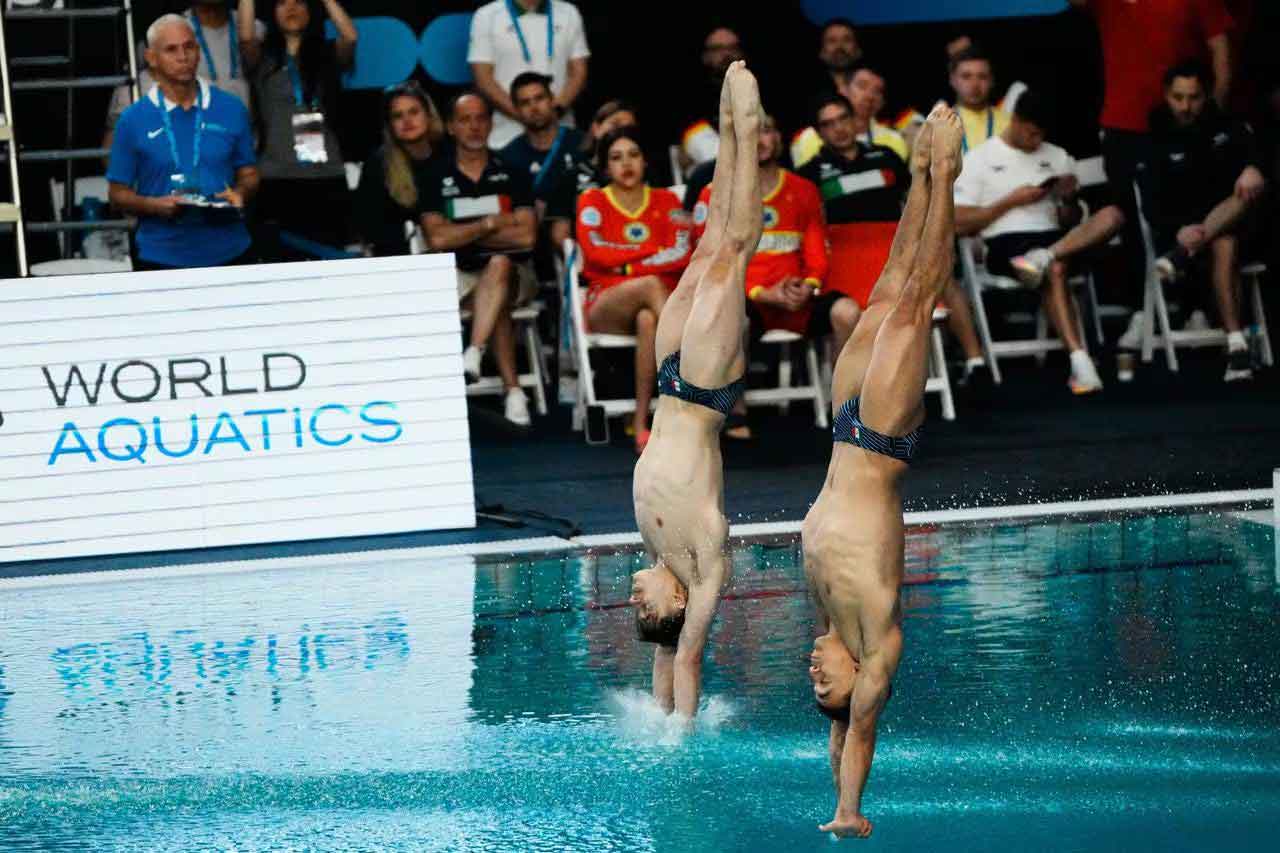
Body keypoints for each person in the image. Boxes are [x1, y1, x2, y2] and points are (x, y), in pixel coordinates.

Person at [802, 105, 963, 840]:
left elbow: (835, 734)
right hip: (884, 444)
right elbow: (858, 731)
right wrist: (847, 808)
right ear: (857, 681)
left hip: (843, 430)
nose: (812, 671)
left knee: (882, 290)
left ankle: (919, 178)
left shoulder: (828, 610)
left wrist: (829, 749)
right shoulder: (877, 638)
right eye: (823, 683)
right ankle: (947, 175)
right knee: (915, 304)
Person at [629, 60, 762, 721]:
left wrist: (653, 719)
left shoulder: (656, 552)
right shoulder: (703, 568)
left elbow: (660, 654)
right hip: (706, 389)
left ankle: (727, 131)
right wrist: (679, 735)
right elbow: (683, 656)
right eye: (645, 606)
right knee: (734, 248)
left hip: (671, 378)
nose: (633, 595)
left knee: (710, 240)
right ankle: (748, 133)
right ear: (677, 603)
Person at [1068, 0, 1234, 351]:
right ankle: (1139, 312)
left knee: (1194, 212)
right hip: (1124, 126)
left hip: (1183, 121)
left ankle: (1196, 306)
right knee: (1129, 221)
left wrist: (1213, 111)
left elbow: (1219, 47)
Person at [692, 113, 859, 439]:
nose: (758, 139)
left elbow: (816, 251)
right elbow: (709, 264)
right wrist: (757, 292)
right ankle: (736, 412)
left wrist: (808, 286)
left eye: (765, 130)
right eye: (749, 132)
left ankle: (844, 409)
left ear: (778, 138)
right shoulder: (715, 194)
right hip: (747, 300)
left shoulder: (804, 189)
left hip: (796, 297)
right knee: (732, 318)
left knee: (848, 312)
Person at [954, 90, 1117, 395]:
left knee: (1112, 215)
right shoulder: (979, 158)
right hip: (1006, 243)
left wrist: (1068, 198)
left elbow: (1071, 220)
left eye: (1042, 133)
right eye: (1031, 132)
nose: (1036, 139)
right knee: (1055, 269)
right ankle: (1080, 362)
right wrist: (1010, 201)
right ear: (1015, 121)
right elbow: (958, 222)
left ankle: (1046, 256)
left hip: (1058, 238)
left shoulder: (1056, 155)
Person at [420, 92, 539, 428]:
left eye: (480, 119)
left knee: (499, 266)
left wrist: (463, 232)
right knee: (494, 293)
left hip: (517, 273)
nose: (474, 126)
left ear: (490, 124)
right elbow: (437, 238)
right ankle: (513, 390)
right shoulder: (434, 174)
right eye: (464, 120)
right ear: (450, 127)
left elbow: (527, 237)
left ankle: (474, 351)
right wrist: (489, 223)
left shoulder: (513, 171)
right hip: (458, 277)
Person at [107, 14, 258, 270]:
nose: (183, 56)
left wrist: (241, 193)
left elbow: (250, 173)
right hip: (160, 255)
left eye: (189, 47)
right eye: (171, 49)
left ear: (198, 52)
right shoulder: (132, 119)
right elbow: (116, 194)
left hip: (229, 250)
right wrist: (152, 206)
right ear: (151, 58)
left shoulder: (231, 107)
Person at [1147, 60, 1266, 382]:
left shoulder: (1227, 124)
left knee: (1244, 197)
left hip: (1238, 223)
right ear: (1165, 95)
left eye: (1194, 97)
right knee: (1223, 243)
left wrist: (1254, 166)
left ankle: (1181, 258)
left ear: (1208, 95)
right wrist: (1176, 230)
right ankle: (1236, 345)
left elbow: (1261, 154)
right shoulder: (1157, 132)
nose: (1186, 106)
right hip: (1184, 231)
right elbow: (1151, 202)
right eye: (1178, 97)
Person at [576, 127, 692, 451]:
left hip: (652, 305)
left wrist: (624, 264)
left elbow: (682, 251)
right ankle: (691, 382)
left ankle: (642, 423)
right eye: (616, 157)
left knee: (647, 319)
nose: (626, 164)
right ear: (605, 167)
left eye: (633, 155)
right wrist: (648, 256)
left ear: (645, 160)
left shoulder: (667, 200)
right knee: (652, 284)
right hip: (606, 304)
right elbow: (595, 252)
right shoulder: (593, 200)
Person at [238, 0, 357, 256]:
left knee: (331, 265)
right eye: (282, 2)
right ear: (272, 13)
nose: (291, 7)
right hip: (277, 178)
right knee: (282, 268)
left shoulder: (327, 55)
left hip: (326, 176)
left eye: (299, 1)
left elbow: (350, 35)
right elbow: (246, 36)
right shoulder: (263, 59)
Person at [798, 93, 909, 313]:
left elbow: (913, 202)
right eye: (828, 124)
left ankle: (973, 349)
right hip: (843, 259)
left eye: (843, 119)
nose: (839, 128)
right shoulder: (809, 174)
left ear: (854, 120)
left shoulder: (887, 156)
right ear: (818, 132)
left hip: (895, 254)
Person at [468, 0, 591, 149]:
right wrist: (525, 115)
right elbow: (483, 78)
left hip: (561, 134)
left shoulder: (569, 12)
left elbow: (579, 72)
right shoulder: (486, 16)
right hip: (506, 137)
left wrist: (555, 112)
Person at [352, 81, 445, 257]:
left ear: (429, 115)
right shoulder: (378, 165)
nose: (407, 121)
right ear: (390, 125)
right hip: (400, 260)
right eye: (398, 116)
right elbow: (369, 228)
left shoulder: (450, 153)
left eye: (413, 112)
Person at [501, 71, 588, 248]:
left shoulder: (583, 144)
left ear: (552, 100)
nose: (534, 107)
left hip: (581, 240)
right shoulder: (507, 157)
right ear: (516, 109)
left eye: (539, 98)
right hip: (532, 250)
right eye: (525, 103)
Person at [792, 68, 909, 169]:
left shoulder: (894, 140)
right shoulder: (806, 139)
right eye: (862, 86)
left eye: (878, 91)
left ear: (883, 102)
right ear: (843, 89)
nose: (869, 96)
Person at [678, 27, 745, 171]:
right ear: (705, 56)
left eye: (732, 48)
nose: (727, 54)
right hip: (709, 166)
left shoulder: (755, 86)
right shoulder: (690, 93)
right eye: (718, 49)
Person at [948, 46, 1010, 155]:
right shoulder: (937, 125)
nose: (975, 84)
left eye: (982, 76)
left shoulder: (1010, 124)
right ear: (953, 80)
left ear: (992, 81)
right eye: (966, 76)